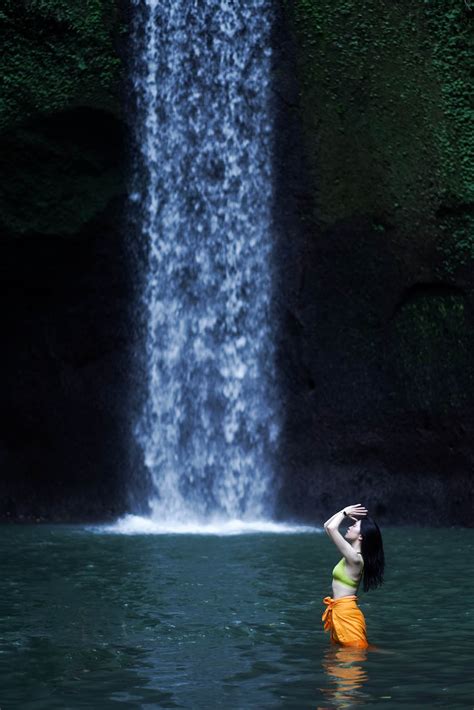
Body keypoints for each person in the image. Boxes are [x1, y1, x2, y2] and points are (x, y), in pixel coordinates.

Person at [322, 503, 384, 649]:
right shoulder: (350, 554)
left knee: (353, 657)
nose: (349, 527)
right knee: (342, 659)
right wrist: (342, 512)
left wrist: (344, 513)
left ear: (361, 536)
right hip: (339, 612)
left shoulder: (356, 559)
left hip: (346, 614)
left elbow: (332, 528)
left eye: (354, 525)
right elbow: (327, 526)